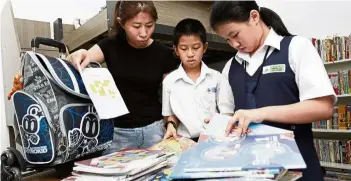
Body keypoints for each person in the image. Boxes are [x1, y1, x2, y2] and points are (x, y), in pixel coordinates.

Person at [209, 1, 335, 180]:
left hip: (298, 166)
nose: (234, 44)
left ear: (254, 17)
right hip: (250, 170)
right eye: (227, 40)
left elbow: (323, 107)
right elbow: (230, 116)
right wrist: (216, 125)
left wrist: (259, 113)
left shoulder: (297, 47)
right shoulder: (230, 67)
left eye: (235, 35)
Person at [67, 1, 179, 153]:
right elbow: (85, 57)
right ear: (122, 23)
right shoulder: (109, 45)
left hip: (155, 131)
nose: (144, 33)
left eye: (149, 25)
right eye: (136, 26)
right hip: (117, 134)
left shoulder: (164, 53)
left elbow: (170, 97)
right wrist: (78, 55)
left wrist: (171, 124)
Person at [162, 18, 234, 142]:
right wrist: (171, 125)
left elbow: (227, 113)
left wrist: (218, 126)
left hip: (214, 138)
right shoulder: (169, 81)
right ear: (176, 50)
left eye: (195, 48)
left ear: (205, 47)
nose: (190, 54)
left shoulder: (218, 78)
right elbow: (170, 115)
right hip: (184, 141)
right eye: (184, 49)